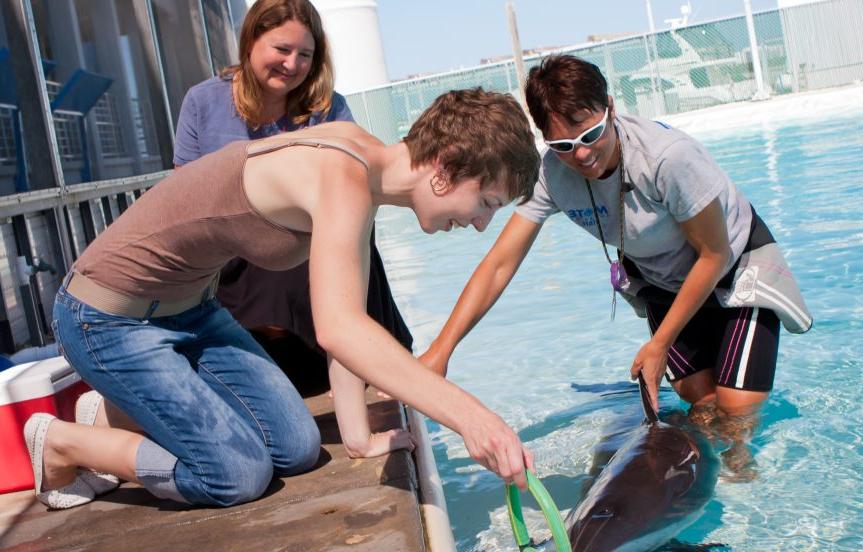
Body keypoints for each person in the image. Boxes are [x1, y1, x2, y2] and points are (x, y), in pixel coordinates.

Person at [24, 87, 539, 510]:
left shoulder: (365, 170)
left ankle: (114, 411)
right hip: (106, 318)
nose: (480, 224)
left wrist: (358, 440)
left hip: (192, 312)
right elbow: (339, 330)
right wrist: (475, 419)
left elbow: (350, 322)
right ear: (445, 168)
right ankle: (64, 445)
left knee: (296, 448)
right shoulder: (344, 177)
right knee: (234, 475)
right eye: (487, 202)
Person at [420, 55, 811, 479]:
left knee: (735, 414)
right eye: (564, 145)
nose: (582, 154)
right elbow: (499, 264)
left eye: (590, 133)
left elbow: (714, 254)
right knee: (700, 404)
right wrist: (441, 351)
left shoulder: (668, 158)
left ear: (610, 105)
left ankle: (747, 490)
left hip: (736, 273)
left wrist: (659, 345)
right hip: (663, 282)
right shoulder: (550, 174)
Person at [173, 0, 412, 457]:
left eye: (306, 54)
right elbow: (185, 197)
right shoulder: (202, 101)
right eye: (282, 48)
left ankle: (365, 359)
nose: (293, 64)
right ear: (250, 42)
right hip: (235, 257)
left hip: (310, 251)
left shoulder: (329, 107)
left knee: (348, 233)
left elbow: (362, 180)